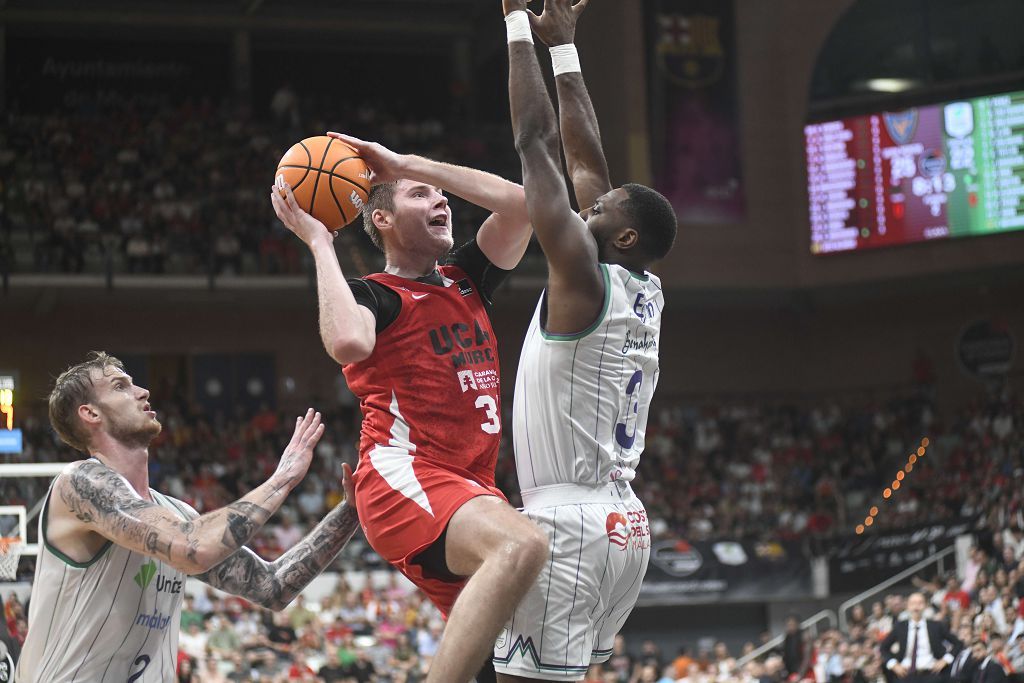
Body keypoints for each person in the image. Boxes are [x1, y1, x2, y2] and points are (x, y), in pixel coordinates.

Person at [270, 128, 548, 683]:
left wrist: (405, 165)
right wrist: (320, 244)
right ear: (381, 220)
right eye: (418, 195)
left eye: (438, 193)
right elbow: (348, 343)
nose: (441, 199)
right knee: (523, 545)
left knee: (512, 661)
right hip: (406, 477)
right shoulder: (376, 293)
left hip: (471, 487)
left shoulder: (466, 279)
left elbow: (522, 205)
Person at [494, 0, 678, 679]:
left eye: (596, 210)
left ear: (622, 236)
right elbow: (590, 165)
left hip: (570, 523)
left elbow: (534, 145)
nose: (585, 204)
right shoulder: (639, 285)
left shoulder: (583, 275)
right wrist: (565, 50)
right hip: (622, 525)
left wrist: (516, 28)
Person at [15, 352, 360, 682]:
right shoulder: (79, 483)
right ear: (90, 413)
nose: (142, 391)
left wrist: (351, 512)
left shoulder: (179, 514)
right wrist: (283, 478)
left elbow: (274, 587)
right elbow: (192, 548)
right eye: (120, 386)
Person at [878, 592, 962, 683]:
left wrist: (945, 660)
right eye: (913, 603)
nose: (916, 607)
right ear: (908, 606)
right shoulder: (900, 627)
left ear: (925, 605)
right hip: (906, 674)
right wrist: (894, 664)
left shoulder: (936, 626)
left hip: (932, 674)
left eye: (920, 603)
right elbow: (883, 647)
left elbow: (958, 643)